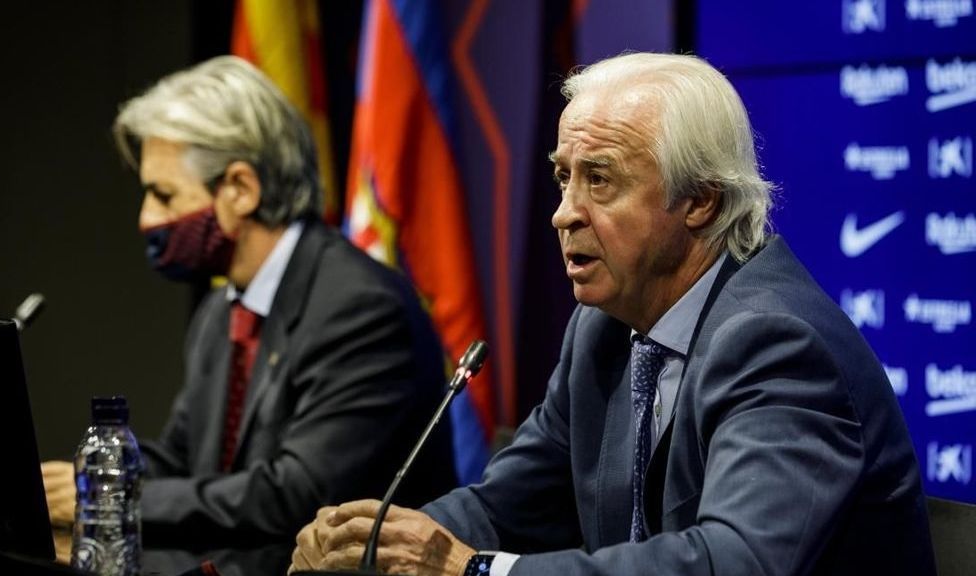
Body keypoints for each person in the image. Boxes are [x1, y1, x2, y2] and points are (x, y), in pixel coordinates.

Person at [289, 52, 935, 575]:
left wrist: (475, 571)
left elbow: (732, 563)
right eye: (562, 177)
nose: (564, 213)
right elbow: (509, 506)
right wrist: (376, 544)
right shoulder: (604, 329)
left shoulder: (777, 344)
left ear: (701, 201)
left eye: (600, 180)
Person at [41, 55, 457, 544]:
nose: (146, 219)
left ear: (241, 188)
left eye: (164, 195)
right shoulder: (223, 310)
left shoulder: (361, 308)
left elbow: (296, 495)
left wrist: (115, 499)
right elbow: (184, 459)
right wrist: (98, 474)